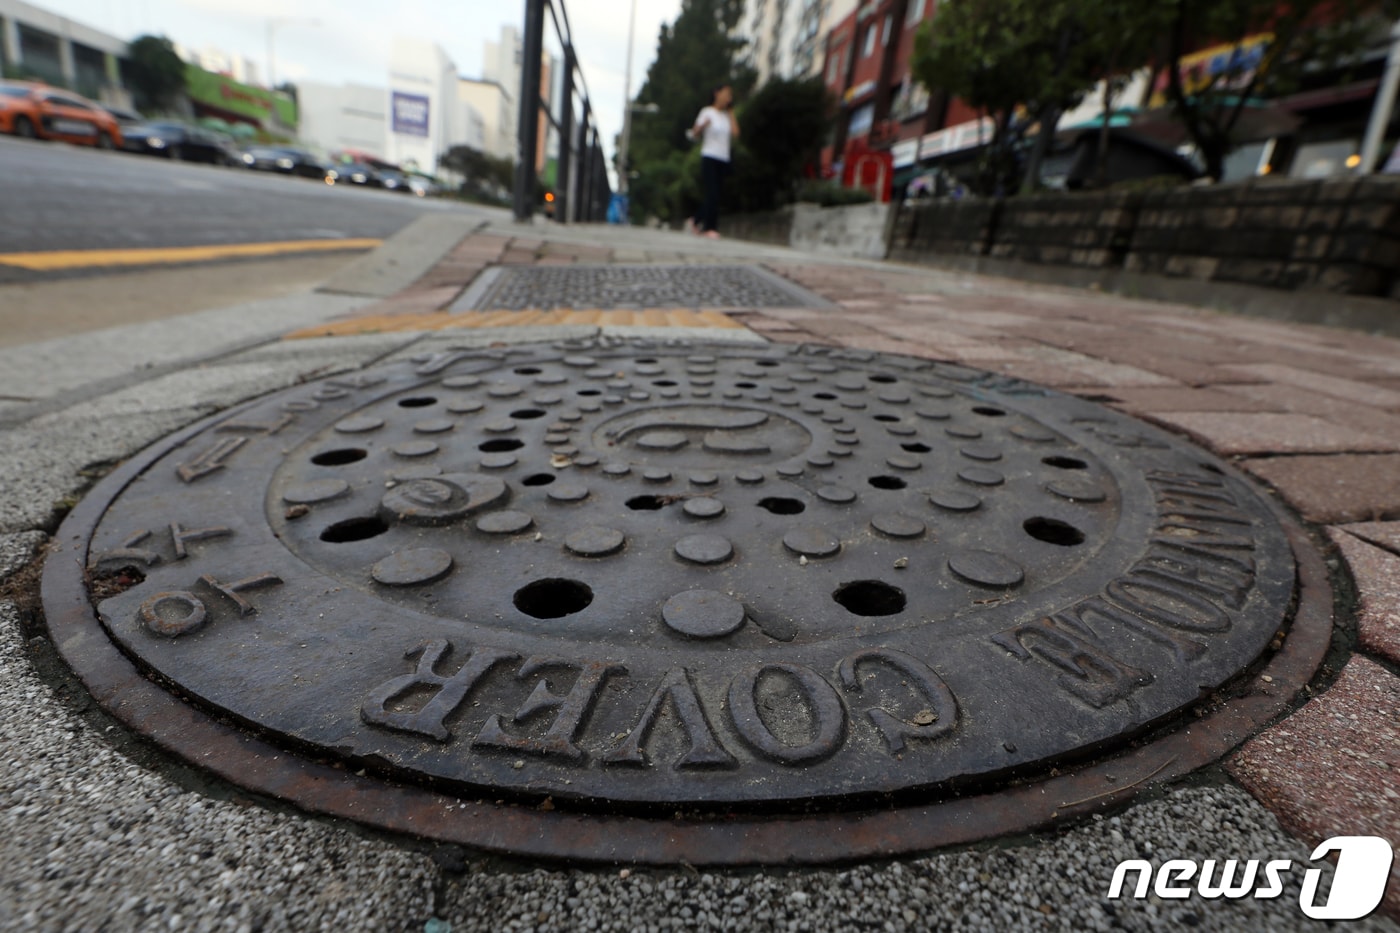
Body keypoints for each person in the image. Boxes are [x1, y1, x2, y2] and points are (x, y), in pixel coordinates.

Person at [687, 85, 739, 238]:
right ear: (717, 93)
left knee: (716, 194)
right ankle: (709, 227)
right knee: (712, 192)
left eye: (731, 95)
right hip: (709, 156)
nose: (729, 98)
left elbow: (736, 133)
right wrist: (703, 125)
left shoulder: (726, 116)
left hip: (723, 158)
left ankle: (696, 219)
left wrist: (731, 112)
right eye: (727, 94)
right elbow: (694, 133)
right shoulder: (707, 112)